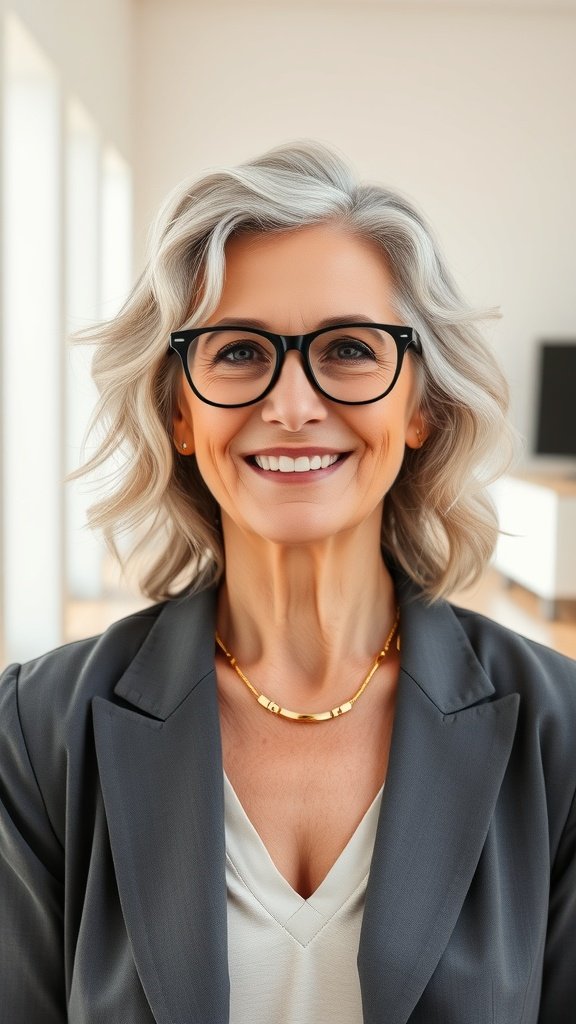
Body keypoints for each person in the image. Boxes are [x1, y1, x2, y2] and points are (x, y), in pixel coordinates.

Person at [0, 141, 574, 1024]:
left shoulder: (562, 732)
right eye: (237, 352)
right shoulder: (35, 736)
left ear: (420, 405)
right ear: (179, 413)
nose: (293, 403)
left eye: (347, 348)